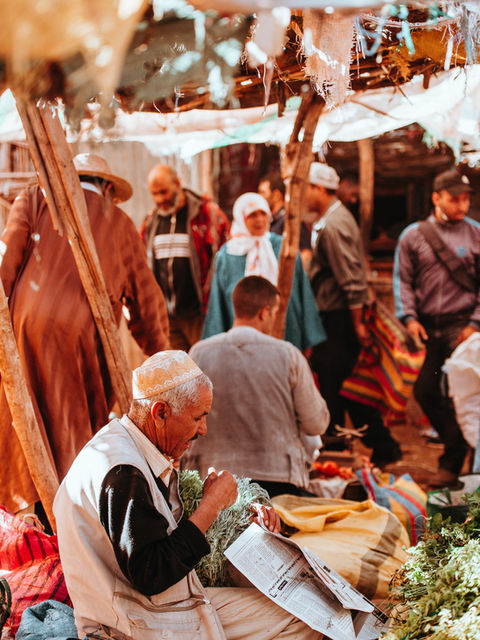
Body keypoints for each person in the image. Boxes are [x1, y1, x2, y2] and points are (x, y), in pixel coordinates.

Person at [54, 350, 320, 640]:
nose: (203, 430)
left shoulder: (124, 446)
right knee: (300, 621)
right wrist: (211, 505)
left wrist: (235, 518)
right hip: (132, 622)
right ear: (161, 412)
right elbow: (152, 573)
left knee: (291, 604)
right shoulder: (122, 472)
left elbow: (159, 537)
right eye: (198, 417)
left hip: (152, 607)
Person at [0, 153, 170, 514]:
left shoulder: (32, 200)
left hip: (24, 324)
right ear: (107, 187)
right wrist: (162, 358)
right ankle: (67, 512)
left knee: (21, 416)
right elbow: (146, 302)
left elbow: (5, 266)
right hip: (83, 334)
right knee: (73, 425)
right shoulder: (120, 222)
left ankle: (28, 510)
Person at [183, 276, 329, 497]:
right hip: (278, 482)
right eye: (274, 313)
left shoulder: (198, 353)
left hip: (210, 481)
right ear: (264, 312)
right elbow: (316, 423)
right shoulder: (288, 354)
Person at [307, 162, 401, 466]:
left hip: (340, 318)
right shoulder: (331, 219)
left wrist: (359, 324)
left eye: (307, 188)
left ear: (318, 189)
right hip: (335, 316)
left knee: (337, 386)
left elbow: (351, 279)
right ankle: (379, 446)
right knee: (346, 386)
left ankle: (343, 450)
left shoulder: (334, 225)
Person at [394, 168, 480, 488]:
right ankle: (457, 447)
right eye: (454, 199)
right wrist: (409, 318)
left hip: (465, 328)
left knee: (461, 394)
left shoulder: (476, 234)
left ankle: (456, 462)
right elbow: (403, 281)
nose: (462, 205)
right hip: (428, 328)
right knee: (426, 392)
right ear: (436, 198)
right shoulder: (413, 236)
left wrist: (474, 324)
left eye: (466, 199)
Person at [202, 192, 325, 351]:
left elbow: (303, 293)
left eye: (263, 213)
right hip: (242, 340)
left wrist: (308, 339)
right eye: (252, 215)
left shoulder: (284, 248)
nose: (259, 220)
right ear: (241, 218)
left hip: (286, 332)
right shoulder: (228, 254)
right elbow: (218, 303)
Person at [141, 164, 230, 351]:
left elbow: (226, 260)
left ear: (177, 184)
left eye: (164, 192)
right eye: (154, 194)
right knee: (176, 376)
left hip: (201, 316)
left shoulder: (207, 215)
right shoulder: (151, 222)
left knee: (205, 371)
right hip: (168, 319)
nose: (160, 199)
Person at [258, 172, 312, 269]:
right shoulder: (270, 221)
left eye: (262, 193)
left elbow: (305, 255)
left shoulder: (290, 221)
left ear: (276, 195)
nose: (259, 197)